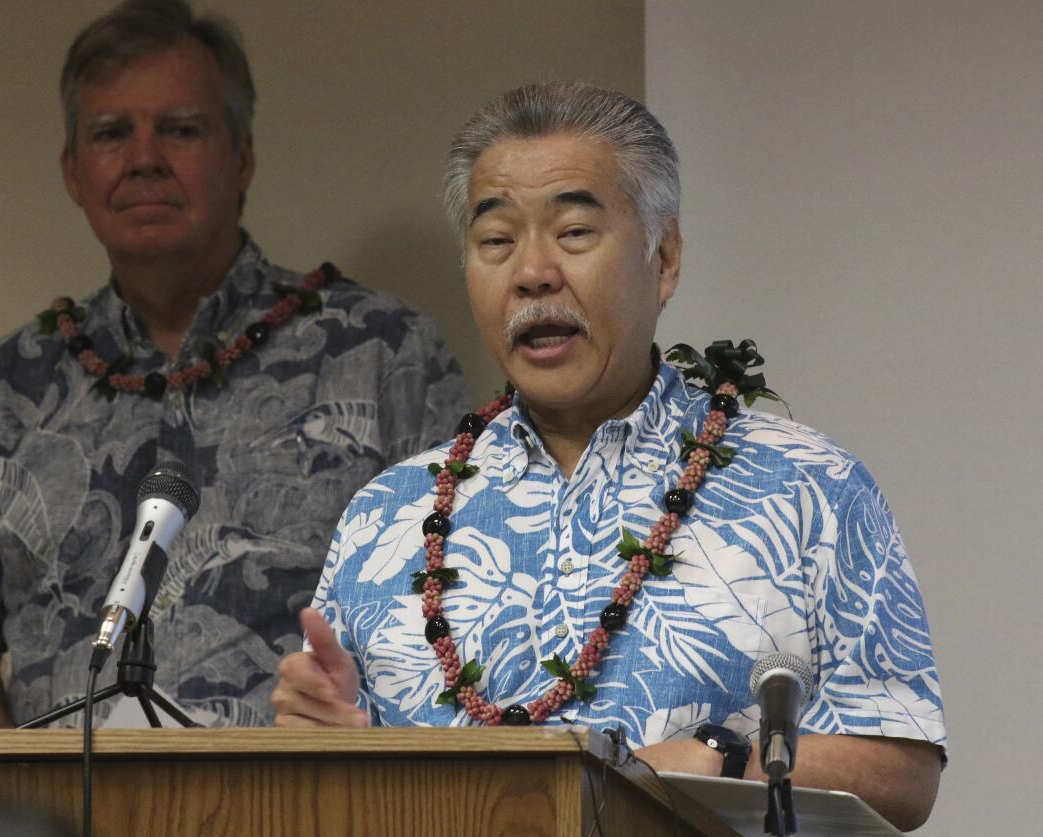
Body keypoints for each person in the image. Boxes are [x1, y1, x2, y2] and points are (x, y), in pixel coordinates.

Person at [271, 83, 946, 831]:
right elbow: (323, 786)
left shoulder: (808, 486)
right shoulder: (387, 514)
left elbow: (904, 768)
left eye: (574, 232)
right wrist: (325, 741)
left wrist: (719, 756)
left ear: (666, 257)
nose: (532, 272)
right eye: (497, 241)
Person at [0, 0, 464, 729]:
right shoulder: (3, 386)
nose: (144, 157)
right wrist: (10, 804)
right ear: (73, 170)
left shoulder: (383, 352)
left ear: (242, 155)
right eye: (111, 133)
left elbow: (455, 618)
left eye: (181, 129)